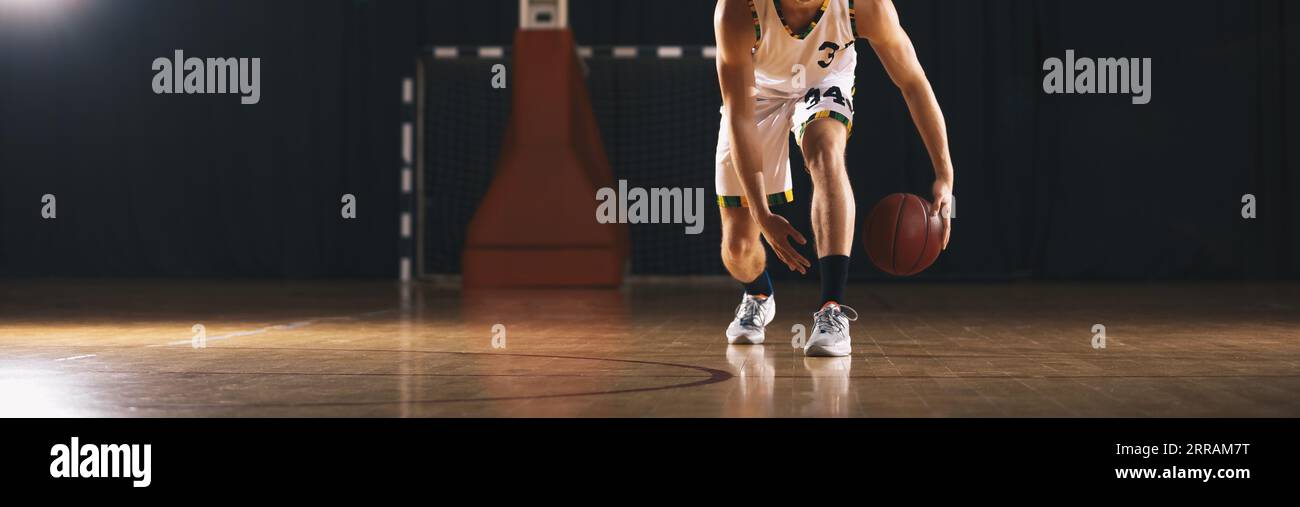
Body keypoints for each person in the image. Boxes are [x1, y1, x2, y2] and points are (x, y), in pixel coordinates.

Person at [715, 0, 954, 356]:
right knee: (738, 249)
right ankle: (758, 294)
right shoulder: (738, 9)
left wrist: (944, 174)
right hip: (758, 94)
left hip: (824, 81)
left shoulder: (864, 6)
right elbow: (740, 117)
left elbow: (913, 82)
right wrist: (763, 214)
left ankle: (832, 309)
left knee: (827, 154)